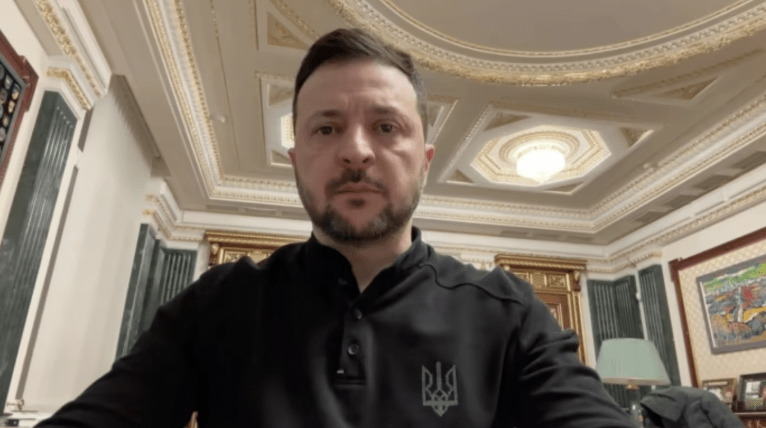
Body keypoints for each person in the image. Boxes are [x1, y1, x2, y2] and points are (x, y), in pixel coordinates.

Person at [36, 28, 635, 427]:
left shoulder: (509, 313)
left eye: (386, 127)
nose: (356, 151)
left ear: (425, 161)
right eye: (326, 128)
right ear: (296, 159)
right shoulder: (218, 304)